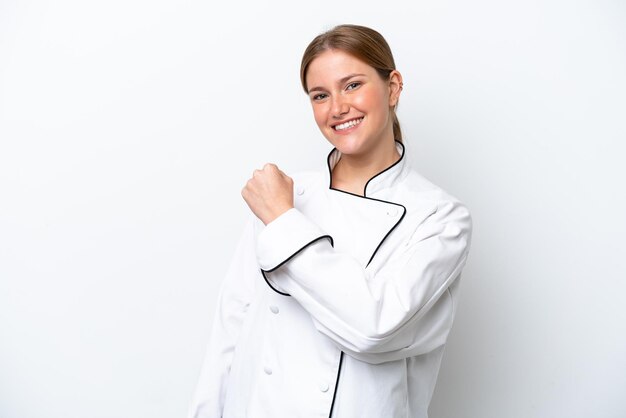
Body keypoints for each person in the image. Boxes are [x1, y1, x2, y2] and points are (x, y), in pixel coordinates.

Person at [187, 24, 472, 418]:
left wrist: (284, 222)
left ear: (393, 87)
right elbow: (230, 329)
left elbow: (374, 327)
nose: (337, 107)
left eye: (352, 85)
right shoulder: (287, 193)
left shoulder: (440, 217)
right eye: (320, 95)